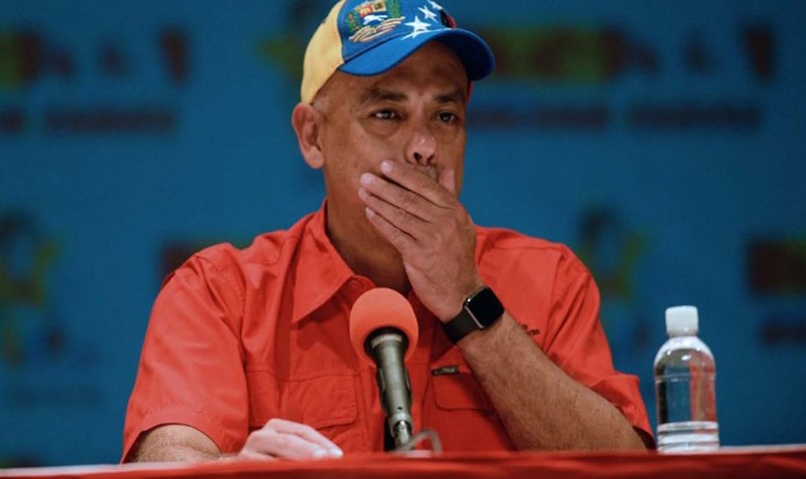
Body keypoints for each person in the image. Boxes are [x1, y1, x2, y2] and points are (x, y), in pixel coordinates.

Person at [122, 0, 654, 462]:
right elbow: (167, 460)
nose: (423, 147)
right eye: (387, 113)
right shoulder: (219, 293)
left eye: (445, 116)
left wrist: (469, 303)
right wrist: (240, 470)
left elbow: (625, 467)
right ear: (312, 136)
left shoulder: (551, 278)